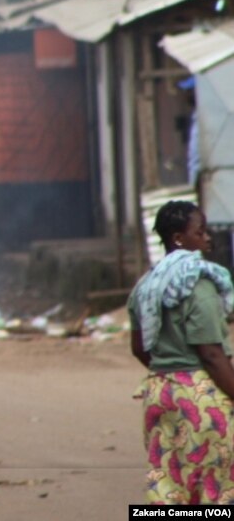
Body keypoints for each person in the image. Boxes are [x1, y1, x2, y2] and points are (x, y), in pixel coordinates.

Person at [130, 200, 234, 504]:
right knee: (215, 488)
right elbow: (211, 355)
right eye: (200, 232)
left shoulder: (145, 286)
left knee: (169, 485)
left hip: (159, 393)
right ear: (179, 239)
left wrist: (168, 369)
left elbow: (138, 347)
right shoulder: (197, 285)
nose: (207, 239)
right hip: (201, 399)